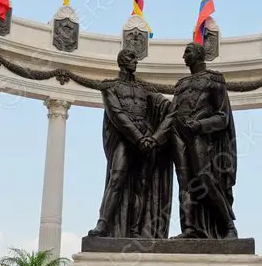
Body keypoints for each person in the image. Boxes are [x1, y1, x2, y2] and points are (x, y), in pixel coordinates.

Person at [87, 49, 173, 239]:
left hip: (146, 137)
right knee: (116, 178)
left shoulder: (145, 88)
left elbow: (165, 106)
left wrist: (156, 135)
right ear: (121, 62)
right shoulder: (109, 86)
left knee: (143, 185)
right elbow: (117, 115)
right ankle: (103, 223)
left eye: (134, 58)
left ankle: (135, 228)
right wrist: (138, 138)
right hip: (126, 139)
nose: (135, 61)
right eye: (130, 58)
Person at [156, 42, 238, 239]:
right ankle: (189, 228)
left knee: (205, 179)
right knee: (184, 184)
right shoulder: (181, 84)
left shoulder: (215, 80)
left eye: (187, 51)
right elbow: (172, 113)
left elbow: (222, 117)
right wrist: (157, 136)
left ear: (200, 54)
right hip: (178, 133)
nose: (183, 56)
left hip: (200, 135)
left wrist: (200, 125)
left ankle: (228, 226)